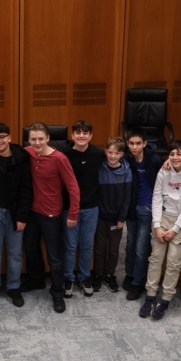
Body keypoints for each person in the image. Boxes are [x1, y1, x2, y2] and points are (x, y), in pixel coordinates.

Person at [23, 122, 81, 313]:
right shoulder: (28, 152)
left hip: (52, 215)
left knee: (55, 257)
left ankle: (57, 292)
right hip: (32, 213)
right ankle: (37, 280)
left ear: (48, 138)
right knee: (30, 248)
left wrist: (73, 213)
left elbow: (73, 188)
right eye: (33, 139)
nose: (37, 143)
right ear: (28, 140)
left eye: (41, 139)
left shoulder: (59, 159)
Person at [138, 140, 181, 320]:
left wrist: (175, 229)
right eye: (172, 154)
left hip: (180, 222)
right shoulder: (164, 170)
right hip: (162, 218)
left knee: (173, 262)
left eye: (179, 154)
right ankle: (150, 296)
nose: (175, 157)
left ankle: (165, 299)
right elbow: (156, 198)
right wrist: (156, 225)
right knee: (155, 259)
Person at [0, 123, 32, 308]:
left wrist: (22, 217)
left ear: (9, 138)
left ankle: (13, 287)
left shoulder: (22, 158)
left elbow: (27, 189)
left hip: (15, 213)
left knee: (15, 253)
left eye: (2, 137)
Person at [61, 120, 104, 298]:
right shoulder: (64, 155)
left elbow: (118, 159)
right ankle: (68, 278)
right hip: (69, 208)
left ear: (91, 136)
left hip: (91, 208)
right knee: (70, 246)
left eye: (85, 133)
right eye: (78, 132)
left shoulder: (98, 154)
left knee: (87, 245)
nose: (81, 136)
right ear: (72, 135)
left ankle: (84, 277)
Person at [122, 129, 163, 300]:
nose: (134, 147)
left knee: (141, 247)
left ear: (145, 144)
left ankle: (138, 282)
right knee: (130, 243)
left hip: (147, 207)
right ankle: (129, 274)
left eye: (138, 143)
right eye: (131, 143)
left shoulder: (154, 159)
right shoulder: (126, 159)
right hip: (132, 207)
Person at [92, 136, 131, 293]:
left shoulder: (127, 171)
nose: (113, 156)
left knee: (114, 249)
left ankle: (110, 275)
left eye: (116, 153)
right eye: (110, 152)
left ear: (122, 154)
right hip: (100, 217)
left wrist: (122, 218)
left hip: (116, 219)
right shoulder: (99, 168)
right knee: (100, 247)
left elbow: (127, 198)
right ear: (105, 151)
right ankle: (98, 274)